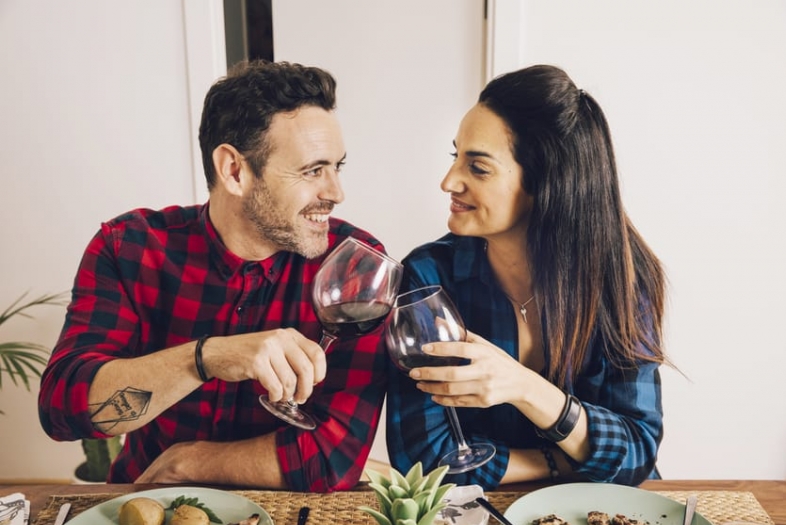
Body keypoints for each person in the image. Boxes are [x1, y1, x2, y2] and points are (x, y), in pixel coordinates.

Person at [39, 60, 389, 492]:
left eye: (338, 167)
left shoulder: (356, 265)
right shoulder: (130, 248)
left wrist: (188, 463)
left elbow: (335, 458)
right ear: (234, 170)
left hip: (285, 510)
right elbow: (63, 409)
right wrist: (204, 358)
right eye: (313, 170)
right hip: (152, 504)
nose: (336, 192)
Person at [386, 64, 667, 489]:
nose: (448, 181)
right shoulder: (428, 278)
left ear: (546, 183)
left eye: (477, 167)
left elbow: (638, 452)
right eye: (455, 156)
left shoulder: (622, 280)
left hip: (597, 513)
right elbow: (426, 460)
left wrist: (524, 388)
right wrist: (564, 461)